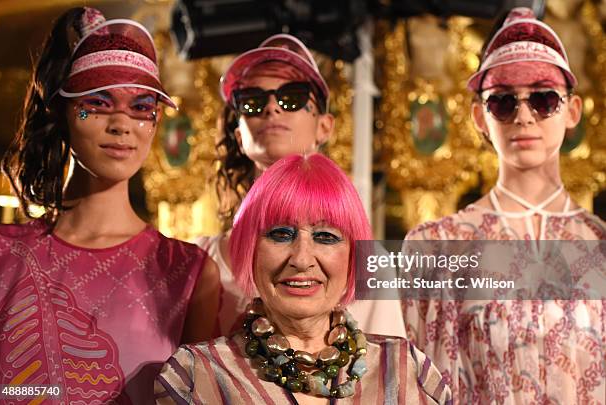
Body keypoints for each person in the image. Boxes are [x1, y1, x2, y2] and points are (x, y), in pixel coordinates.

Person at [0, 7, 219, 404]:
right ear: (62, 113)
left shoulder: (186, 271)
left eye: (141, 107)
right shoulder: (1, 252)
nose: (122, 124)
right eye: (98, 103)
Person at [402, 7, 605, 403]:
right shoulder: (436, 247)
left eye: (544, 99)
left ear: (572, 111)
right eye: (503, 102)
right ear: (480, 116)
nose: (524, 116)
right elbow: (418, 389)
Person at [155, 154, 452, 404]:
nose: (301, 258)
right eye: (280, 234)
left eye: (326, 237)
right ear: (250, 249)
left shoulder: (408, 372)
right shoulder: (195, 378)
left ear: (353, 255)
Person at [198, 33, 407, 338]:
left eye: (292, 97)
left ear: (325, 126)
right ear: (239, 134)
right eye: (253, 101)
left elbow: (387, 371)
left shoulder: (369, 264)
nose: (272, 108)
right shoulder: (202, 260)